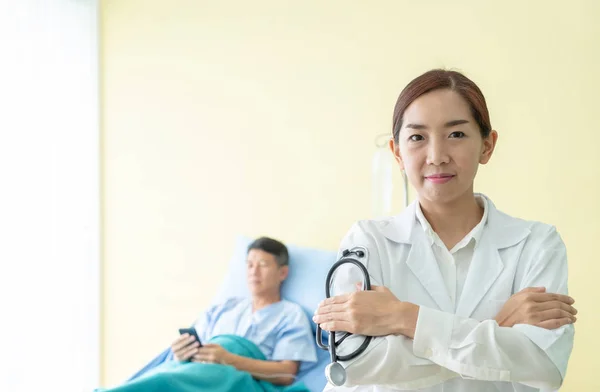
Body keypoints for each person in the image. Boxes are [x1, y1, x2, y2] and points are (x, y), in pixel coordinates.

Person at [313, 69, 576, 391]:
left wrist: (403, 317)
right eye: (417, 137)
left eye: (456, 135)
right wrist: (492, 330)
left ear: (487, 146)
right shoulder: (368, 241)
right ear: (397, 152)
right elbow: (356, 365)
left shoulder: (537, 244)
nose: (436, 157)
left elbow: (543, 366)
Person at [171, 236, 317, 386]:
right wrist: (183, 353)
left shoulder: (291, 314)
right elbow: (198, 347)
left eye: (263, 264)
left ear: (283, 273)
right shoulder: (223, 308)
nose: (254, 271)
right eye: (250, 265)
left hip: (235, 382)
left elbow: (287, 373)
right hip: (195, 374)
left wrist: (229, 360)